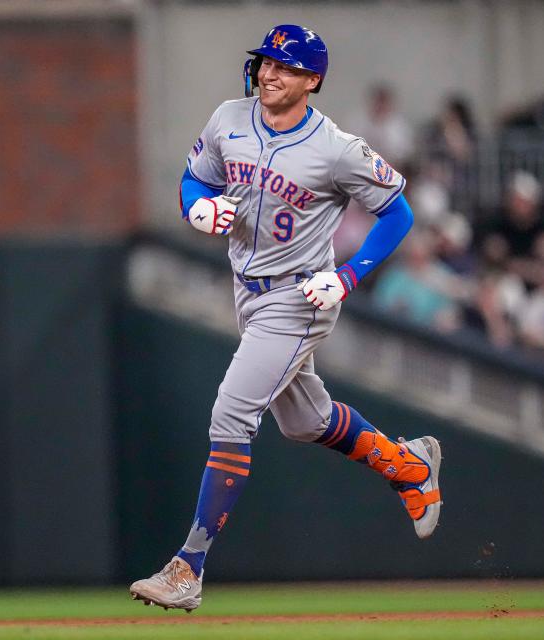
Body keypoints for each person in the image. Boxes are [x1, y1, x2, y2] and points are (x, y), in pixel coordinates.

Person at [129, 25, 440, 612]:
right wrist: (197, 206)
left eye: (287, 67)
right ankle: (408, 466)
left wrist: (347, 277)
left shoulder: (337, 148)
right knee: (303, 421)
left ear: (312, 81)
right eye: (267, 61)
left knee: (232, 410)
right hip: (248, 293)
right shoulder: (228, 117)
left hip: (301, 298)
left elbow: (397, 213)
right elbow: (195, 178)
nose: (271, 73)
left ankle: (187, 567)